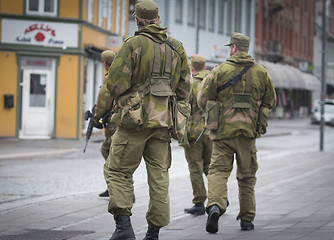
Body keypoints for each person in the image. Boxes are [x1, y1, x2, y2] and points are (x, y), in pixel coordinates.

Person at [97, 1, 191, 239]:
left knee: (117, 171)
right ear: (158, 18)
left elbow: (115, 84)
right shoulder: (176, 46)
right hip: (163, 123)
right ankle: (154, 232)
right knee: (159, 177)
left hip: (133, 121)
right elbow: (185, 88)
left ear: (137, 20)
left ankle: (124, 228)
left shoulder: (133, 44)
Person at [197, 32, 276, 233]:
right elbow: (270, 102)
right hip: (248, 134)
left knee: (217, 171)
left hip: (223, 133)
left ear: (233, 48)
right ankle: (247, 219)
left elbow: (202, 99)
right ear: (246, 48)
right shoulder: (261, 72)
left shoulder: (218, 70)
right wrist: (258, 118)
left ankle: (215, 206)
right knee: (247, 176)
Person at [183, 54, 212, 216]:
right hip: (212, 130)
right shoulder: (212, 81)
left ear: (192, 68)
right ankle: (219, 198)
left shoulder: (190, 84)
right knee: (211, 167)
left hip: (194, 133)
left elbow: (184, 108)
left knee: (195, 168)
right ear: (205, 66)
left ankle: (199, 203)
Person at [94, 50, 116, 198]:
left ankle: (117, 188)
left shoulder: (110, 77)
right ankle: (113, 187)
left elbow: (103, 101)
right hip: (121, 119)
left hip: (114, 122)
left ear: (104, 64)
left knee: (109, 152)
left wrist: (96, 119)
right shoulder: (123, 73)